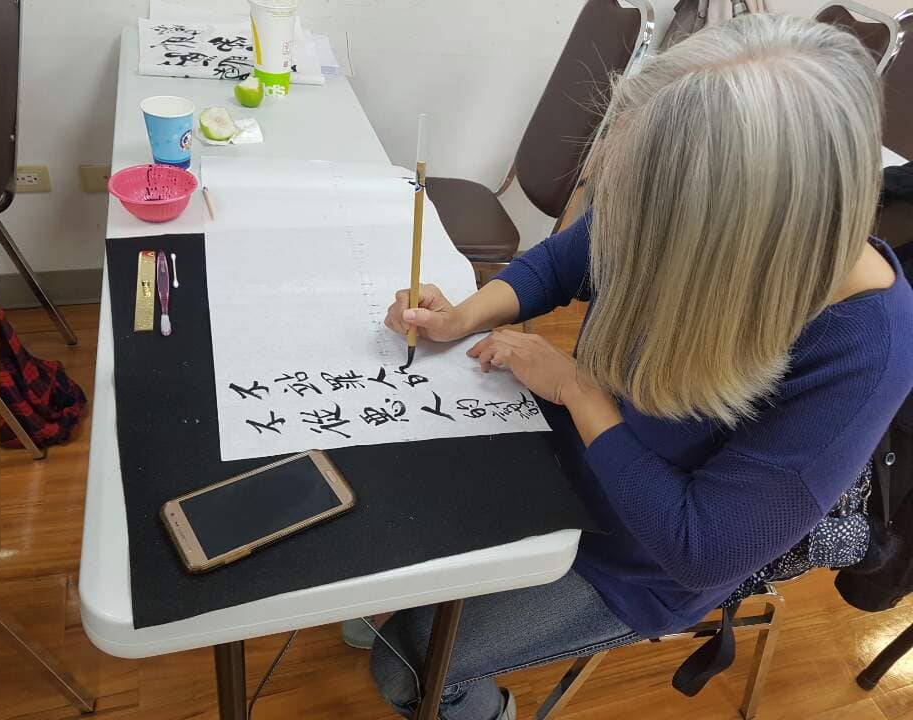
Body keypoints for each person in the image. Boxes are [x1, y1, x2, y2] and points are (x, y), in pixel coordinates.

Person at [360, 13, 913, 720]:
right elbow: (571, 256)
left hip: (639, 555)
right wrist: (466, 314)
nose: (623, 225)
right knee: (376, 545)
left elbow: (703, 547)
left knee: (408, 663)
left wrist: (578, 390)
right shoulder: (701, 207)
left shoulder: (866, 349)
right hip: (565, 454)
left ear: (743, 229)